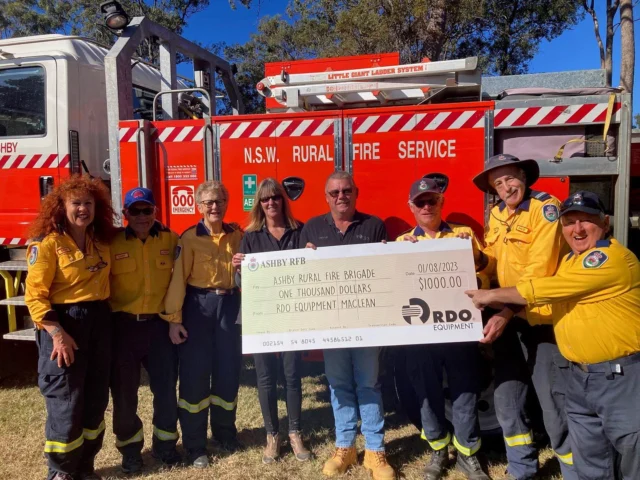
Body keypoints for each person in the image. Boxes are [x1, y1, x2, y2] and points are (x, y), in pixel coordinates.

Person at [465, 190, 640, 480]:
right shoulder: (570, 261)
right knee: (591, 461)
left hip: (619, 379)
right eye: (569, 222)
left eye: (587, 221)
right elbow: (547, 310)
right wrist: (507, 312)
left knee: (632, 457)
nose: (577, 229)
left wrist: (492, 295)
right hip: (581, 379)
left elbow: (544, 290)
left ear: (605, 224)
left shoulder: (608, 258)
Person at [471, 154, 576, 480]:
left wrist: (503, 312)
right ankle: (522, 470)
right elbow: (493, 264)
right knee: (507, 401)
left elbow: (539, 273)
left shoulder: (546, 208)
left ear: (523, 176)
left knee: (553, 403)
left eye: (509, 179)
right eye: (498, 184)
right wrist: (474, 256)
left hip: (540, 321)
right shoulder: (497, 214)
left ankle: (574, 469)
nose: (505, 187)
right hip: (507, 319)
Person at [300, 171, 394, 480]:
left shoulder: (373, 225)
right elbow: (302, 274)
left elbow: (387, 272)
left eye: (346, 191)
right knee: (339, 385)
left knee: (368, 384)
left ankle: (376, 451)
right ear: (326, 197)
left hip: (367, 323)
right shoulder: (312, 227)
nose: (341, 196)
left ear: (356, 193)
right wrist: (305, 258)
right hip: (331, 325)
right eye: (334, 192)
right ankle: (345, 447)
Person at [396, 176, 490, 480]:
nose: (426, 206)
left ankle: (468, 454)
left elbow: (484, 269)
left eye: (432, 200)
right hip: (420, 334)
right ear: (411, 207)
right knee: (426, 392)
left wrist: (469, 252)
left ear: (441, 202)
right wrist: (398, 254)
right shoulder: (403, 242)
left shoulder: (464, 234)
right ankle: (438, 451)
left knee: (464, 392)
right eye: (420, 202)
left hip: (458, 330)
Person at [25, 175, 118, 480]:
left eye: (88, 203)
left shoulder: (101, 240)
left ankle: (85, 465)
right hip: (64, 324)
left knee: (95, 398)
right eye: (76, 203)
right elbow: (35, 295)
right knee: (66, 399)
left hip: (99, 321)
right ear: (61, 207)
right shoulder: (48, 244)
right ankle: (61, 471)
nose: (83, 209)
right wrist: (57, 335)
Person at [162, 180, 243, 468]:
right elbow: (177, 281)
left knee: (228, 373)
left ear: (226, 204)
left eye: (219, 201)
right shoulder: (188, 239)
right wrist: (174, 320)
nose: (214, 206)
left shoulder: (238, 236)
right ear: (199, 206)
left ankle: (225, 434)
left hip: (230, 306)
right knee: (195, 378)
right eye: (208, 202)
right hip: (198, 308)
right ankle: (195, 446)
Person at [231, 178, 311, 465]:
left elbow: (311, 270)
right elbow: (241, 281)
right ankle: (271, 436)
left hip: (291, 314)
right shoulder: (250, 236)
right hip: (262, 315)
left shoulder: (300, 231)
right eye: (265, 199)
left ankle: (295, 433)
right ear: (259, 204)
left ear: (283, 200)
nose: (271, 203)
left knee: (292, 375)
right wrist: (238, 268)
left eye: (275, 197)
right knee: (265, 377)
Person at [108, 187, 181, 473]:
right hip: (123, 328)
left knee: (165, 390)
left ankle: (165, 446)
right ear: (125, 214)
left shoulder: (170, 239)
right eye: (135, 211)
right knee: (125, 395)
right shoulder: (111, 243)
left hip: (158, 328)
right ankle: (130, 451)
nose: (141, 216)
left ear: (155, 212)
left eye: (146, 210)